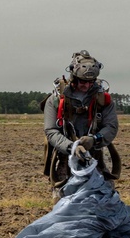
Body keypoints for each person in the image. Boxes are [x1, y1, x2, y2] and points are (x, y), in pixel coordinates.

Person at [42, 50, 120, 196]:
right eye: (83, 81)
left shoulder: (103, 99)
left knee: (104, 198)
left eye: (90, 82)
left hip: (95, 156)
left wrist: (94, 139)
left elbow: (111, 126)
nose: (86, 85)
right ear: (73, 77)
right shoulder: (56, 99)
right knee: (62, 199)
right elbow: (51, 130)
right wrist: (72, 147)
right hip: (65, 157)